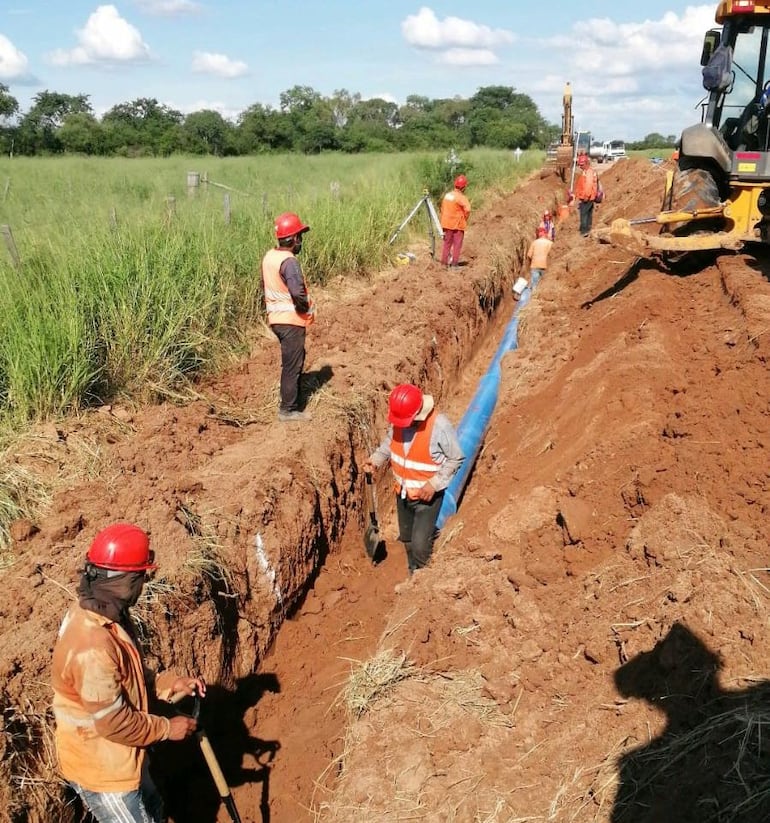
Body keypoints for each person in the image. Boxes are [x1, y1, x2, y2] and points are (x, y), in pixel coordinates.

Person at [51, 522, 206, 823]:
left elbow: (126, 676)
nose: (143, 584)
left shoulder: (105, 614)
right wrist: (166, 729)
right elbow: (113, 722)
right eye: (141, 577)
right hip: (104, 772)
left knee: (154, 811)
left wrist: (169, 684)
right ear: (127, 579)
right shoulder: (92, 645)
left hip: (126, 758)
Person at [362, 384, 464, 584]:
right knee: (407, 539)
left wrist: (434, 484)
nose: (401, 426)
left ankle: (424, 583)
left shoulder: (439, 426)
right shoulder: (400, 420)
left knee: (419, 545)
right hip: (402, 494)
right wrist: (375, 459)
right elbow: (388, 445)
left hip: (427, 499)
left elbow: (456, 458)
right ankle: (413, 574)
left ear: (418, 413)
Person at [262, 211, 316, 423]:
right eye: (300, 237)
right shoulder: (289, 261)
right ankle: (288, 410)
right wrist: (306, 309)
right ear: (293, 239)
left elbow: (264, 286)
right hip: (290, 319)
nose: (301, 241)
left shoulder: (270, 257)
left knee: (291, 361)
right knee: (293, 364)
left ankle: (289, 403)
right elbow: (297, 292)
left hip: (276, 318)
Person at [439, 174, 471, 268]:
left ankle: (443, 264)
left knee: (447, 244)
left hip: (446, 223)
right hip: (457, 224)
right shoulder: (461, 197)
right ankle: (454, 264)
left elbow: (442, 208)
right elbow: (468, 209)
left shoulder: (447, 195)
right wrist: (465, 218)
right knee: (457, 244)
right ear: (464, 187)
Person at [516, 225, 553, 300]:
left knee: (534, 285)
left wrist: (529, 266)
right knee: (544, 284)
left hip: (535, 266)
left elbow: (529, 255)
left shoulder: (534, 243)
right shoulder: (550, 243)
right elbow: (553, 254)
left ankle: (532, 298)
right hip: (545, 266)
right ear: (545, 234)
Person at [573, 153, 599, 236]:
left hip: (587, 197)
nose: (580, 166)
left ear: (587, 163)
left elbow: (588, 185)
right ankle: (588, 228)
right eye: (579, 165)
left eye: (582, 164)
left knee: (584, 214)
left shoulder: (589, 173)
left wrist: (586, 196)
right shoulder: (587, 171)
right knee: (588, 213)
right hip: (589, 196)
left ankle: (584, 231)